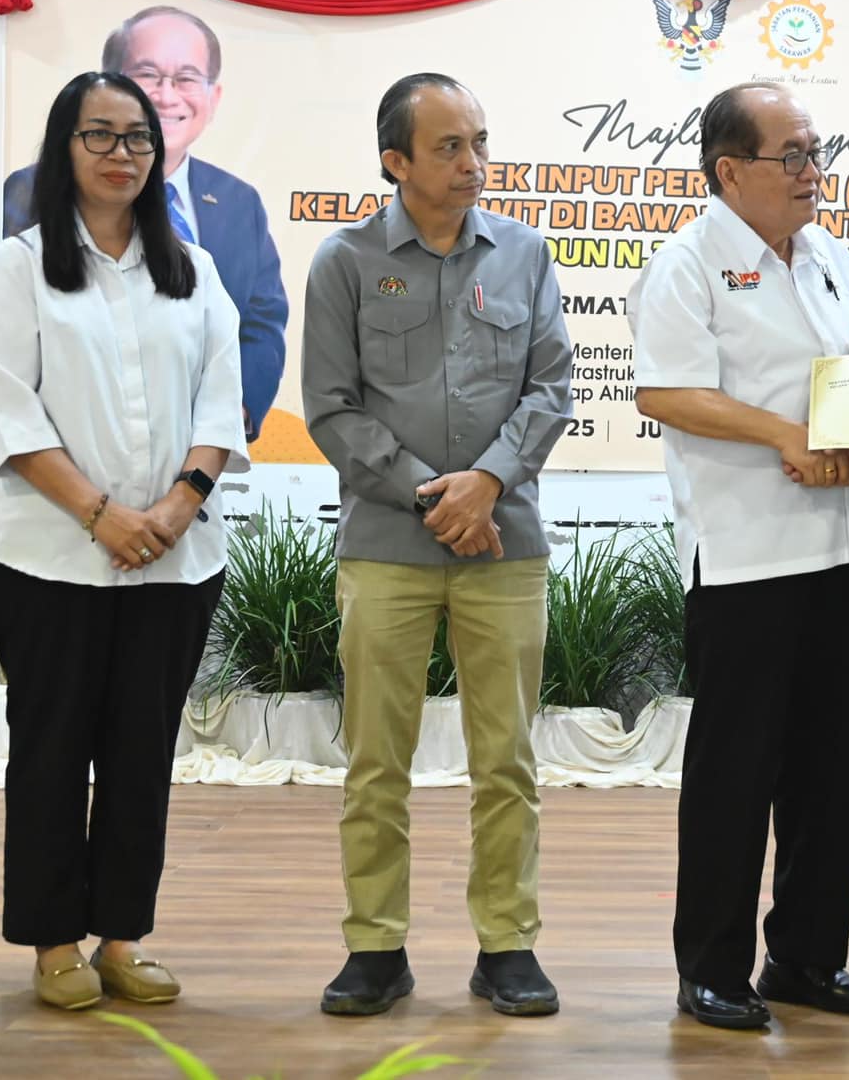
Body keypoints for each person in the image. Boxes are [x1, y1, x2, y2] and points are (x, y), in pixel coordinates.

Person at [0, 71, 247, 1010]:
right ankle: (54, 941)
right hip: (45, 559)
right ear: (66, 148)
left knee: (141, 755)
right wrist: (102, 515)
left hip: (176, 561)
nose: (122, 153)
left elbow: (220, 401)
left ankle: (123, 936)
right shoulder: (19, 266)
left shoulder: (194, 270)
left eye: (137, 138)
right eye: (100, 135)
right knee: (50, 752)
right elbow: (10, 412)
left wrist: (175, 507)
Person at [627, 81, 849, 1032]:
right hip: (748, 557)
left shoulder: (831, 256)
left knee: (832, 768)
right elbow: (666, 392)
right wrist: (786, 433)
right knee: (736, 774)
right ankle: (711, 967)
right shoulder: (687, 263)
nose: (811, 171)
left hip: (848, 543)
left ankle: (808, 958)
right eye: (792, 156)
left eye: (816, 152)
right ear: (730, 170)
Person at [301, 74, 574, 1018]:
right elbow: (331, 408)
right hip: (387, 545)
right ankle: (375, 947)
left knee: (508, 760)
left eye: (480, 142)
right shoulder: (345, 261)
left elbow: (551, 389)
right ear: (396, 162)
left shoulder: (525, 253)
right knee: (377, 761)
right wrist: (434, 496)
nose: (473, 163)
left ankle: (508, 945)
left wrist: (486, 484)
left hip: (504, 542)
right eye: (450, 146)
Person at [4, 6, 289, 443]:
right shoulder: (26, 200)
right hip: (70, 446)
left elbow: (260, 320)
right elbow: (10, 369)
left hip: (194, 453)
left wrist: (228, 420)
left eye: (187, 78)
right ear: (110, 84)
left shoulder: (237, 204)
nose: (166, 95)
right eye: (147, 74)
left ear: (213, 97)